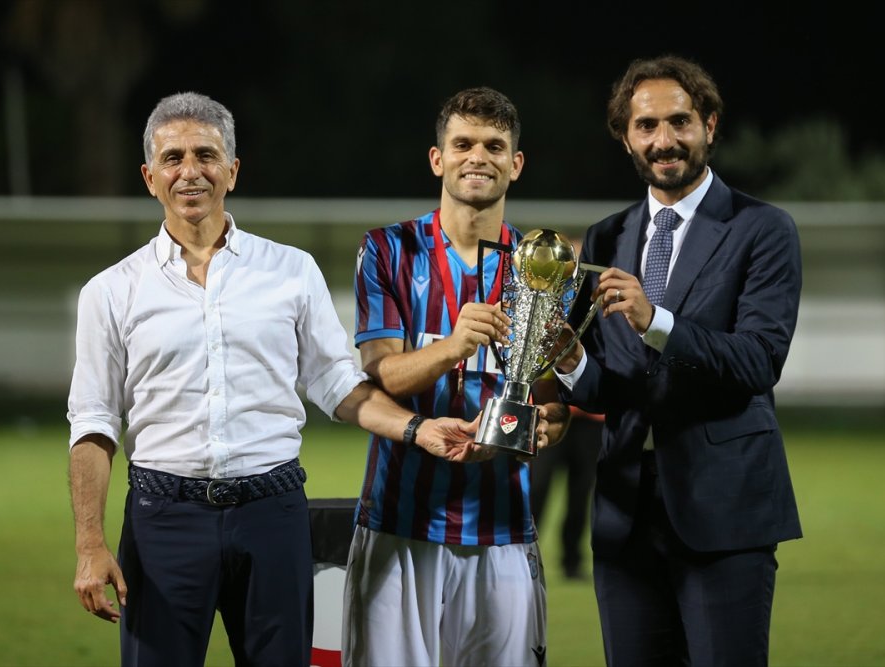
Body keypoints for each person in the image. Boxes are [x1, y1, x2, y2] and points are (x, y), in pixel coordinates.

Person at [67, 91, 484, 667]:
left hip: (272, 512)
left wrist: (417, 430)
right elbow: (92, 423)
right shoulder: (111, 291)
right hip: (165, 521)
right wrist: (90, 545)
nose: (191, 172)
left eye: (207, 155)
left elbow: (337, 384)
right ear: (149, 176)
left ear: (232, 171)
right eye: (173, 158)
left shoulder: (290, 270)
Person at [553, 55, 803, 666]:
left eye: (679, 122)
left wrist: (656, 321)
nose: (663, 141)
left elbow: (758, 361)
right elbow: (610, 388)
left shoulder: (763, 229)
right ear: (625, 136)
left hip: (723, 510)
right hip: (623, 513)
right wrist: (565, 360)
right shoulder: (607, 235)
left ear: (710, 126)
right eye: (646, 126)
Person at [341, 86, 570, 667]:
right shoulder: (388, 250)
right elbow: (382, 374)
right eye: (462, 143)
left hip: (504, 527)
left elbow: (551, 399)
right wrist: (453, 346)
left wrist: (551, 425)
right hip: (400, 522)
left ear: (515, 164)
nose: (478, 156)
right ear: (437, 159)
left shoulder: (542, 264)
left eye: (495, 146)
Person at [529, 405, 603, 580]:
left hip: (590, 418)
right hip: (553, 414)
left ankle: (572, 561)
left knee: (580, 493)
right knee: (538, 486)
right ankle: (525, 551)